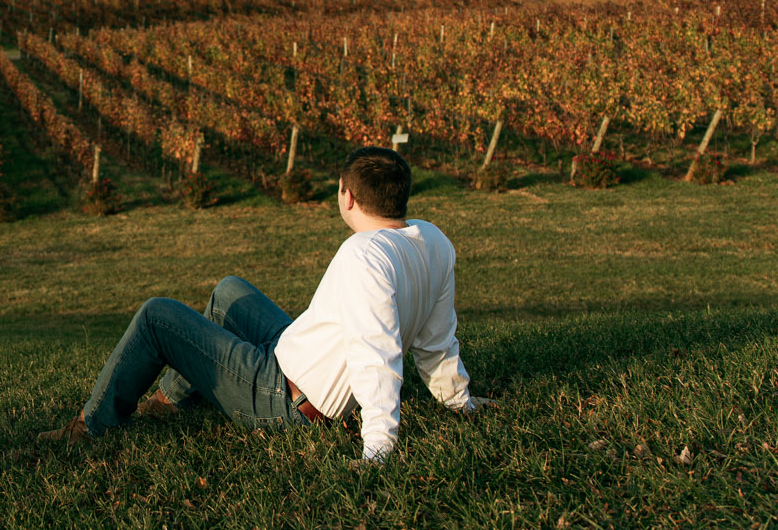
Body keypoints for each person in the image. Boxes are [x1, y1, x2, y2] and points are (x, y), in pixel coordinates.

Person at [40, 146, 483, 460]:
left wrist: (379, 448)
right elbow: (438, 338)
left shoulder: (364, 255)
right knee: (229, 290)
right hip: (294, 356)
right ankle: (171, 400)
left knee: (158, 316)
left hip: (283, 399)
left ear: (346, 196)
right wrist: (458, 400)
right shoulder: (432, 240)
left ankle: (91, 426)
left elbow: (377, 354)